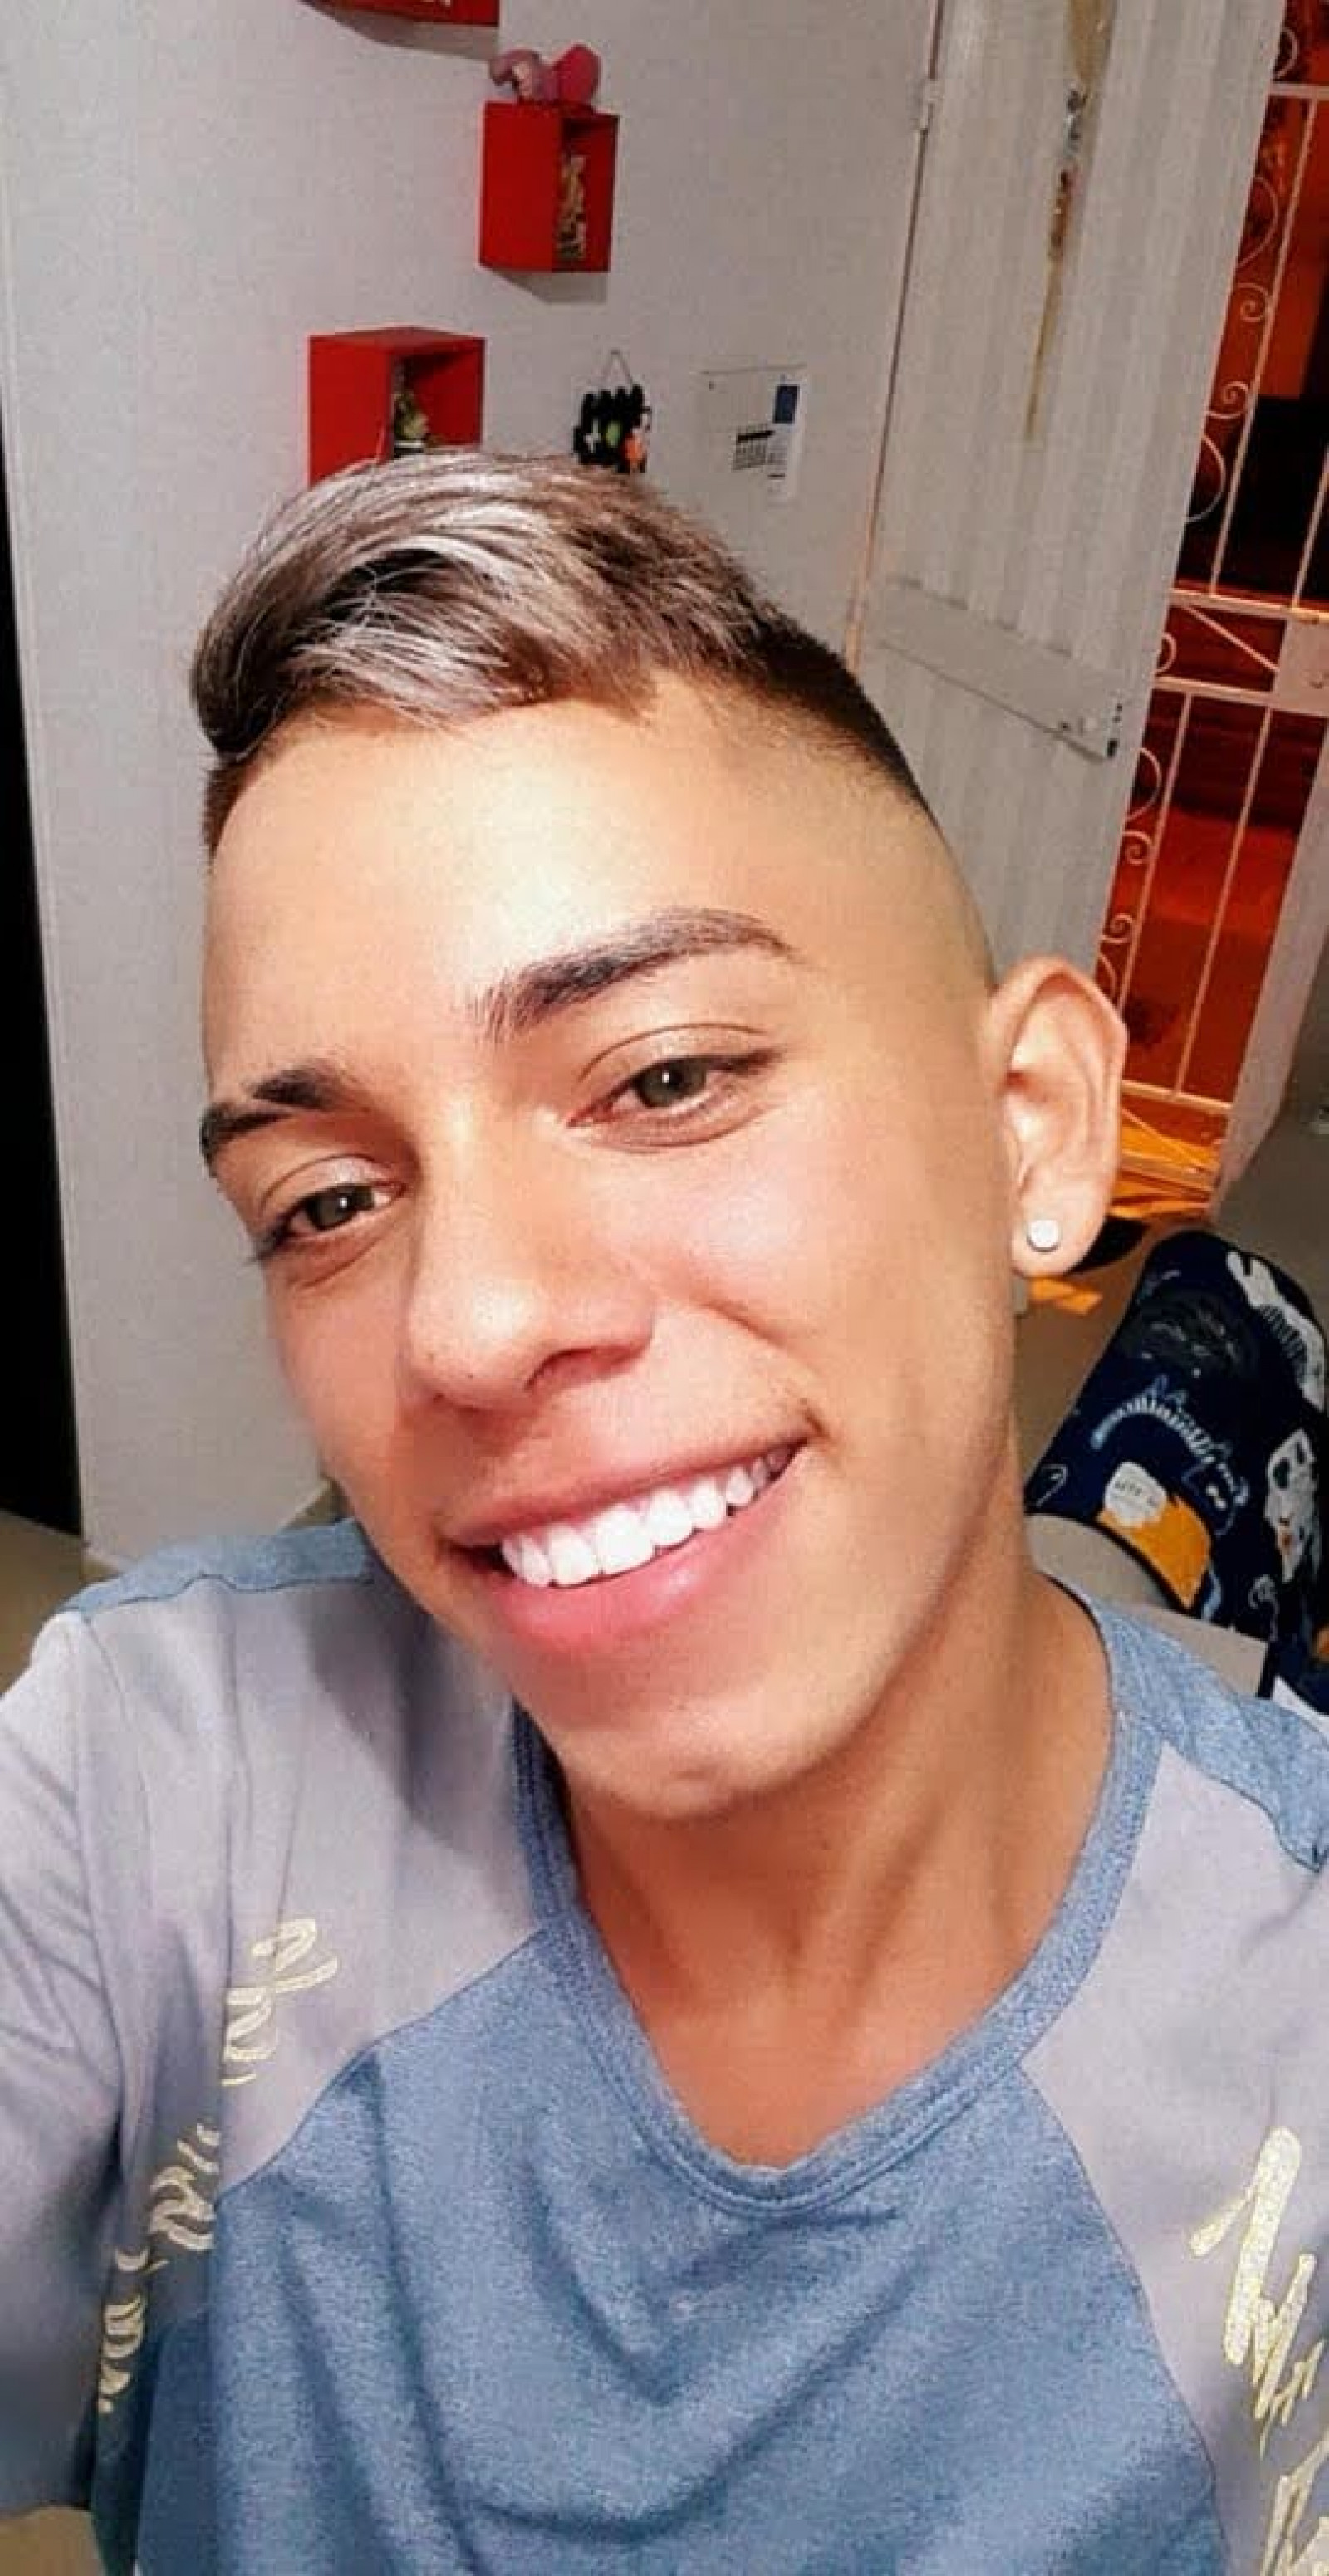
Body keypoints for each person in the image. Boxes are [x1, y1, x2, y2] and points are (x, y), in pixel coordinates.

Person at [2, 452, 1327, 2574]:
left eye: (663, 1080)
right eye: (326, 1202)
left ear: (1031, 1132)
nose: (467, 1324)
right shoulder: (151, 1792)